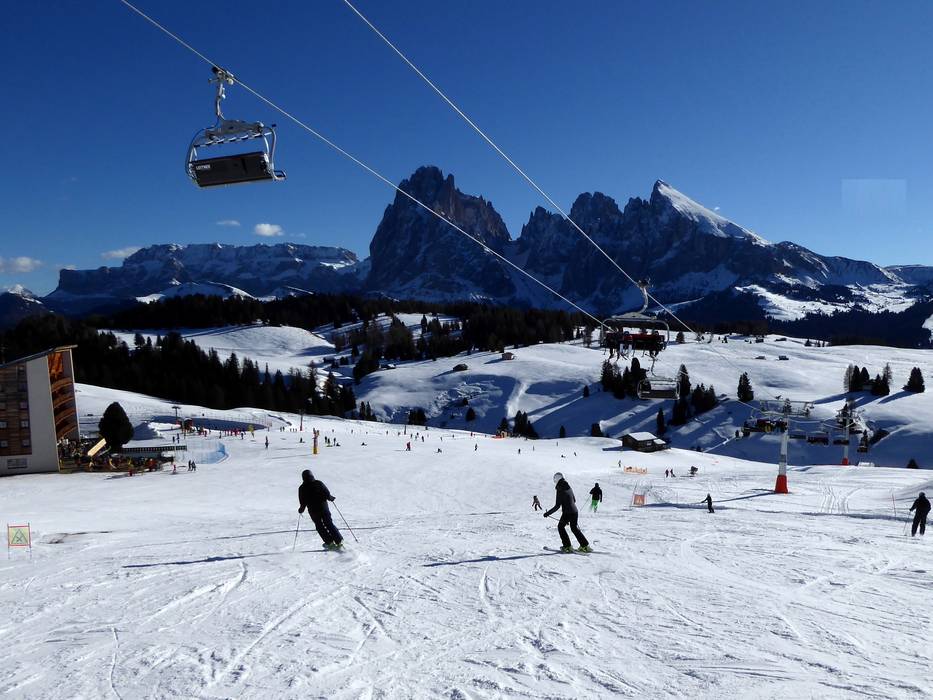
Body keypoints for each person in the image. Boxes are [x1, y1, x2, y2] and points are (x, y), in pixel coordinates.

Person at [544, 472, 590, 553]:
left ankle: (567, 546)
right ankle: (585, 546)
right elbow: (574, 500)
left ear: (556, 479)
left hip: (567, 512)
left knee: (560, 527)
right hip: (574, 511)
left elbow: (557, 506)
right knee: (574, 528)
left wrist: (548, 513)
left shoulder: (559, 488)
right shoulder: (568, 486)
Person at [298, 469, 343, 549]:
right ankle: (339, 541)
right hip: (323, 507)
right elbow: (327, 493)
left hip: (313, 511)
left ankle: (329, 543)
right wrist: (330, 498)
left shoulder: (302, 488)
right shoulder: (318, 483)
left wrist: (301, 509)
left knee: (319, 526)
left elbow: (303, 502)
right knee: (329, 523)